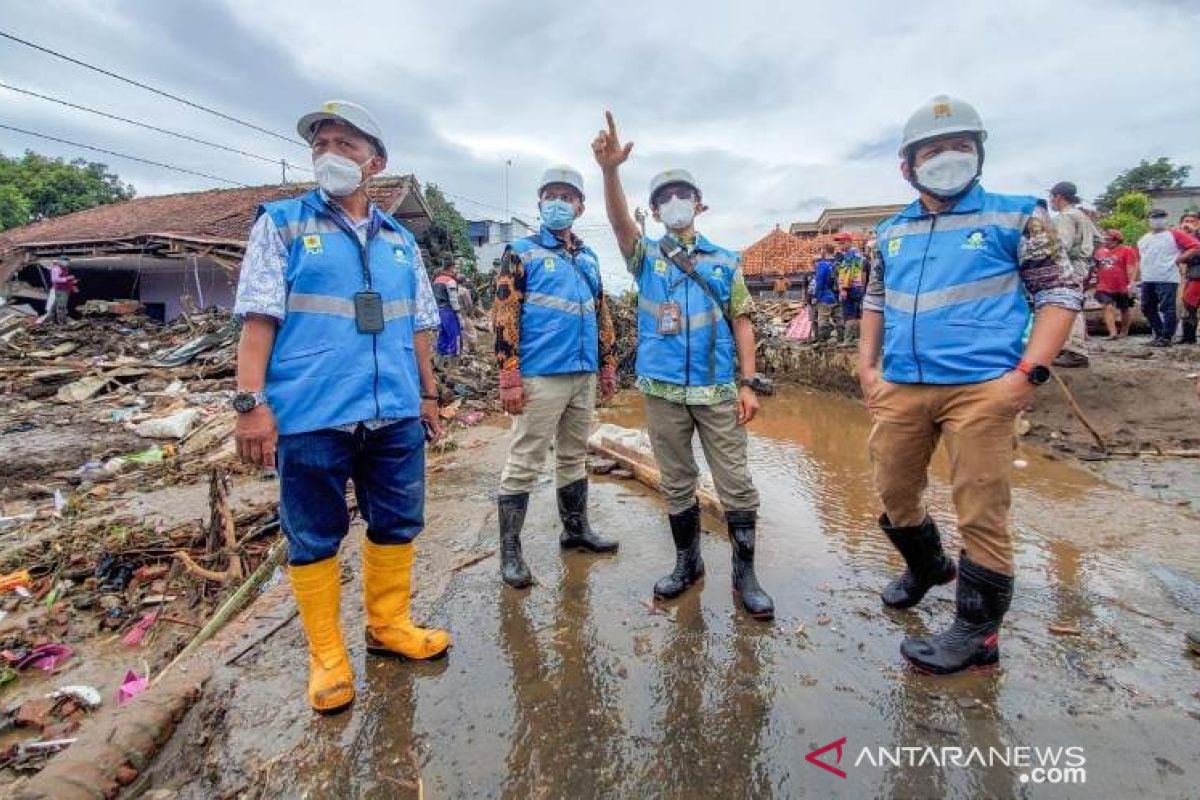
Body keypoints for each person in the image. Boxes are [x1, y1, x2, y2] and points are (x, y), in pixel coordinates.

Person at [232, 100, 449, 714]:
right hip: (311, 414)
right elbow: (257, 321)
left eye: (345, 145)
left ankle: (388, 627)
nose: (330, 153)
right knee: (314, 536)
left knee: (398, 522)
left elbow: (419, 330)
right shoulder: (280, 225)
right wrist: (251, 404)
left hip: (395, 412)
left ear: (375, 162)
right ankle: (327, 657)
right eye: (320, 143)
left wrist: (428, 395)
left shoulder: (402, 242)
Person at [860, 94, 1082, 675]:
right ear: (908, 167)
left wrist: (1026, 375)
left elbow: (1058, 296)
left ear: (980, 154)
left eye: (961, 146)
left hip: (984, 387)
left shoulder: (1017, 216)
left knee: (981, 506)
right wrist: (868, 367)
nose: (949, 158)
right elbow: (875, 302)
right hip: (903, 386)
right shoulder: (888, 232)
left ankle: (977, 633)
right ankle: (930, 566)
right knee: (893, 488)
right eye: (934, 150)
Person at [593, 111, 774, 620]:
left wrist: (748, 383)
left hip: (718, 392)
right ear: (654, 210)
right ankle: (688, 564)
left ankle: (745, 574)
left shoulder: (724, 261)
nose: (675, 203)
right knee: (676, 481)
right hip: (664, 391)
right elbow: (616, 223)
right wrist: (610, 172)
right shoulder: (645, 257)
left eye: (683, 195)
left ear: (699, 203)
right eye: (664, 198)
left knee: (735, 483)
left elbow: (742, 320)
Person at [492, 165, 619, 588]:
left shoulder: (588, 257)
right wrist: (508, 375)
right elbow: (505, 314)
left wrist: (607, 363)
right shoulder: (521, 251)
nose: (559, 202)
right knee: (525, 460)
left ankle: (576, 531)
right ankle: (510, 553)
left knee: (573, 455)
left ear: (581, 206)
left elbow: (600, 311)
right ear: (541, 203)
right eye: (551, 195)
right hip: (539, 375)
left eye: (567, 196)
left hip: (582, 373)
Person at [1048, 181, 1097, 367]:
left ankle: (1075, 350)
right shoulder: (1082, 216)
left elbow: (1062, 246)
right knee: (1072, 303)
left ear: (1059, 197)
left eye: (1052, 197)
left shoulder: (1066, 216)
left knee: (1068, 304)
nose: (1051, 201)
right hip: (1081, 264)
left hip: (1069, 265)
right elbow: (1099, 239)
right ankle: (1069, 346)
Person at [1137, 208, 1200, 347]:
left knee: (1168, 308)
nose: (1157, 220)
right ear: (1149, 219)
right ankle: (1159, 334)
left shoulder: (1174, 234)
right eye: (1154, 217)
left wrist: (1181, 258)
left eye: (1160, 217)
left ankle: (1166, 337)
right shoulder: (1144, 238)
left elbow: (1195, 246)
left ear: (1166, 218)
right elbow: (1141, 257)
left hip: (1167, 276)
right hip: (1148, 277)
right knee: (1147, 307)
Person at [1093, 228, 1139, 339]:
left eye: (1108, 239)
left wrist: (1131, 283)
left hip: (1122, 285)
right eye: (1105, 239)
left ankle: (1124, 331)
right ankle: (1112, 332)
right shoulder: (1099, 252)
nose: (1106, 242)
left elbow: (1131, 267)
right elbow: (1094, 267)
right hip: (1104, 285)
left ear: (1116, 240)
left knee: (1125, 307)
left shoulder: (1127, 251)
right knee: (1107, 306)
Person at [834, 232, 866, 343]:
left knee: (849, 315)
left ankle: (848, 341)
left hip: (851, 289)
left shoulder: (850, 256)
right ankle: (858, 339)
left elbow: (848, 273)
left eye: (842, 243)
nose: (840, 245)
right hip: (857, 288)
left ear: (848, 242)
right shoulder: (858, 255)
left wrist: (844, 289)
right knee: (857, 315)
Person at [432, 259, 463, 364]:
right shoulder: (450, 281)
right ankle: (454, 364)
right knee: (455, 335)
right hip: (449, 312)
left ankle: (439, 362)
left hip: (438, 311)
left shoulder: (436, 280)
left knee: (442, 335)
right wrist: (459, 315)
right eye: (455, 268)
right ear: (451, 267)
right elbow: (453, 300)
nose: (456, 270)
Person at [1178, 211, 1200, 345]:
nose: (1189, 224)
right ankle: (1188, 337)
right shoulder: (1181, 238)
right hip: (1191, 275)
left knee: (1189, 305)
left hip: (1197, 275)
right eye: (1186, 221)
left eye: (1193, 221)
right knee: (1188, 306)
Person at [812, 244, 841, 343]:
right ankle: (842, 340)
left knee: (823, 320)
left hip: (825, 296)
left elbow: (819, 282)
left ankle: (822, 342)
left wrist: (816, 296)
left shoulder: (822, 265)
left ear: (824, 251)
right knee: (839, 319)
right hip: (838, 296)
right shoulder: (838, 263)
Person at [40, 257, 77, 324]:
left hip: (64, 289)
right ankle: (62, 321)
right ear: (60, 261)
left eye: (67, 261)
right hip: (61, 289)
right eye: (65, 261)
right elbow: (55, 279)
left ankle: (51, 320)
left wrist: (72, 283)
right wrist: (67, 278)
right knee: (61, 306)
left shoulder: (64, 268)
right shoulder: (56, 269)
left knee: (55, 305)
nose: (67, 263)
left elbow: (65, 279)